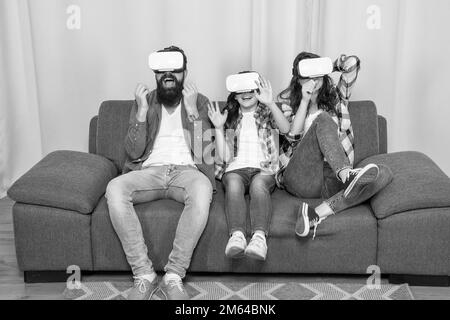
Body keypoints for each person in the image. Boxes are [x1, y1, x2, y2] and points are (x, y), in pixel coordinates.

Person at [105, 46, 215, 300]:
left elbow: (206, 155)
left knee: (202, 189)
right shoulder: (146, 101)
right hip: (150, 171)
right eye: (162, 70)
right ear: (155, 73)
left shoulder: (200, 101)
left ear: (184, 72)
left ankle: (174, 276)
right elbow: (133, 153)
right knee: (114, 188)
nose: (168, 74)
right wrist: (141, 112)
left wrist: (192, 111)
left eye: (174, 70)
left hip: (187, 173)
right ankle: (144, 275)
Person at [277, 52, 393, 239]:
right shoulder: (286, 102)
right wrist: (305, 101)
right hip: (300, 176)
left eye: (317, 76)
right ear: (298, 78)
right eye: (308, 76)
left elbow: (352, 66)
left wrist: (337, 65)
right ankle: (346, 174)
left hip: (329, 177)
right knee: (323, 119)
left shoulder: (336, 100)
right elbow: (292, 139)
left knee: (384, 172)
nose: (313, 81)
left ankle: (317, 213)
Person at [208, 72, 290, 260]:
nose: (246, 93)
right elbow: (225, 157)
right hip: (235, 169)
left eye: (250, 89)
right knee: (234, 184)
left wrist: (270, 103)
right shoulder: (230, 117)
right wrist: (219, 128)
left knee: (258, 186)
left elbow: (286, 130)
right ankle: (237, 236)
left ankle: (259, 238)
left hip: (264, 168)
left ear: (258, 90)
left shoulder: (267, 112)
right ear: (235, 95)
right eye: (241, 90)